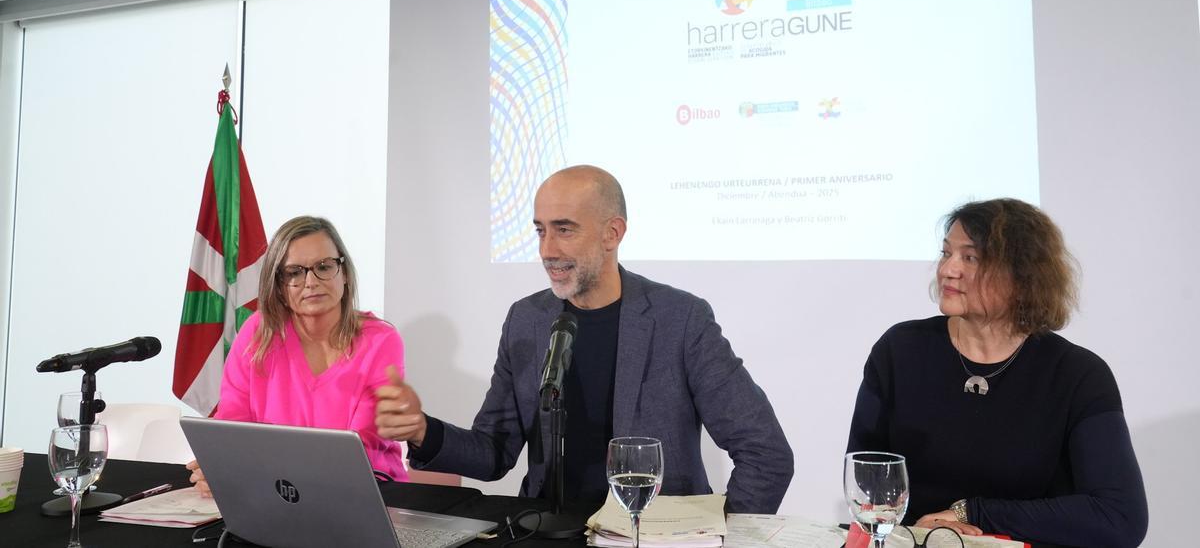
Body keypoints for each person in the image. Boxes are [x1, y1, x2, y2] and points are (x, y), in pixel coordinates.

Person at [375, 165, 793, 513]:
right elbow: (494, 452)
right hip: (547, 531)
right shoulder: (527, 319)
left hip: (651, 538)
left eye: (565, 230)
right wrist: (422, 431)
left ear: (613, 233)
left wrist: (723, 538)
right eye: (540, 231)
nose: (547, 249)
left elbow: (765, 452)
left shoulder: (680, 319)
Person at [846, 199, 1148, 547]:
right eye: (946, 254)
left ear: (1021, 275)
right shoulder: (900, 350)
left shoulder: (1078, 375)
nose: (947, 269)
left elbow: (1120, 517)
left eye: (970, 258)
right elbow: (865, 481)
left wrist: (973, 514)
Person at [189, 216, 408, 496]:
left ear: (344, 273)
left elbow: (360, 446)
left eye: (323, 267)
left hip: (372, 492)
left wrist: (249, 468)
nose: (311, 282)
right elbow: (233, 423)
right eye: (294, 272)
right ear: (278, 284)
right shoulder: (257, 331)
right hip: (277, 490)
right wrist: (221, 466)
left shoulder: (381, 341)